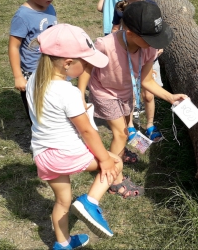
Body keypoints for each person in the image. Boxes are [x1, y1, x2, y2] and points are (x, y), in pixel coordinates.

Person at [26, 24, 123, 249]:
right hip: (64, 153)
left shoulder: (34, 80)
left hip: (43, 155)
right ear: (68, 63)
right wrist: (106, 159)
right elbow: (87, 131)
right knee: (115, 162)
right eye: (86, 62)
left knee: (62, 201)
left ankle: (63, 243)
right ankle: (90, 203)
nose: (89, 66)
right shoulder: (67, 92)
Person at [78, 1, 188, 198]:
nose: (155, 43)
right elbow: (87, 68)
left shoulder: (149, 48)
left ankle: (117, 157)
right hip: (105, 92)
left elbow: (146, 81)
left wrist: (170, 97)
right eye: (150, 38)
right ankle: (114, 180)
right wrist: (79, 95)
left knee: (125, 128)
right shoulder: (105, 45)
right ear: (130, 33)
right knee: (121, 133)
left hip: (127, 92)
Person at [110, 0, 163, 142]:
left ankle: (150, 124)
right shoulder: (120, 7)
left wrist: (159, 47)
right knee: (130, 94)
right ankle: (130, 125)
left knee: (149, 93)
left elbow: (158, 30)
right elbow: (115, 28)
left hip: (149, 55)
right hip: (127, 57)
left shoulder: (152, 6)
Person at [8, 0, 63, 125]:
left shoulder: (49, 8)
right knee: (37, 113)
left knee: (54, 107)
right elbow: (13, 46)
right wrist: (18, 76)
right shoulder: (23, 16)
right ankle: (41, 142)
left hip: (52, 66)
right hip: (32, 72)